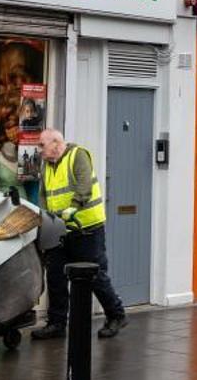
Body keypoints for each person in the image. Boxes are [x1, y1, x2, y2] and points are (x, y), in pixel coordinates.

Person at [30, 126, 127, 340]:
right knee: (55, 275)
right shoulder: (46, 164)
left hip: (87, 228)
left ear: (56, 143)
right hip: (59, 228)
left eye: (42, 145)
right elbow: (44, 194)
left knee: (95, 275)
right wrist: (45, 216)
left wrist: (74, 206)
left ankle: (116, 315)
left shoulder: (78, 156)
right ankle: (57, 323)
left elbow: (84, 186)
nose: (39, 150)